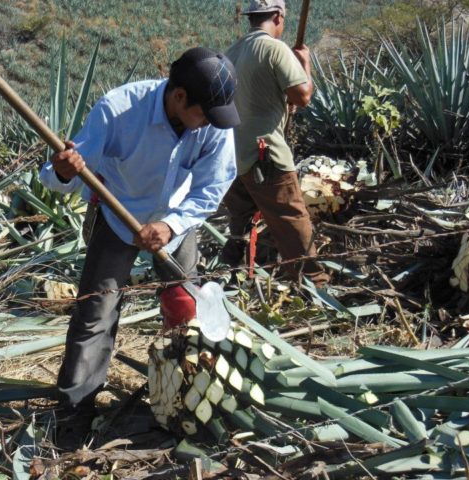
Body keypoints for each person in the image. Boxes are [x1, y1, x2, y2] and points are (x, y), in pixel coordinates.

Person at [39, 47, 239, 449]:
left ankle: (189, 398)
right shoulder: (119, 110)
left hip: (175, 224)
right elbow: (68, 170)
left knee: (187, 308)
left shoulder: (213, 119)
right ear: (179, 97)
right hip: (119, 218)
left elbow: (213, 185)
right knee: (96, 311)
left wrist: (170, 225)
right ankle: (75, 413)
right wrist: (63, 170)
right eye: (202, 114)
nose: (209, 126)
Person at [223, 0, 330, 287]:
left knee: (241, 221)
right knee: (291, 218)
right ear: (278, 16)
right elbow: (302, 96)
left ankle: (237, 281)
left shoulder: (231, 53)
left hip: (235, 156)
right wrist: (304, 63)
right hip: (266, 154)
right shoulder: (274, 48)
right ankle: (313, 284)